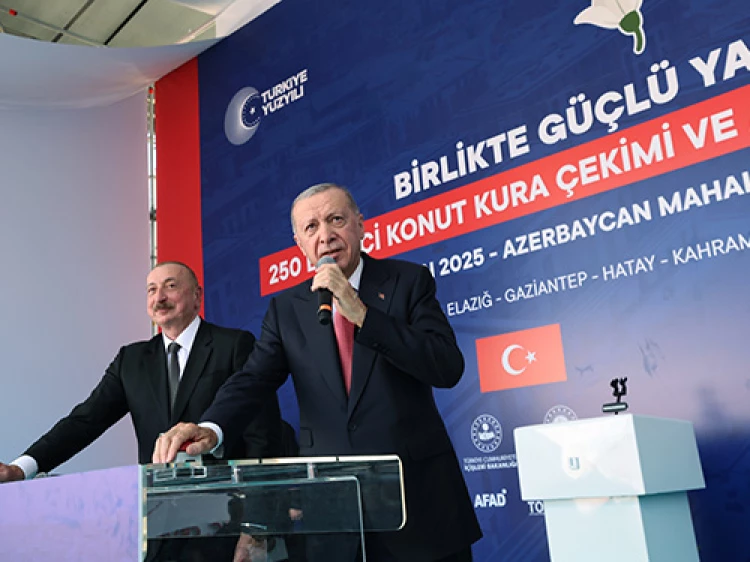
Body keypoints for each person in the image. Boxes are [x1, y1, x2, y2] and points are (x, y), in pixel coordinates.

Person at [154, 184, 482, 562]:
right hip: (335, 518)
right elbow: (253, 379)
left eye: (336, 219)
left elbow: (446, 366)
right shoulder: (286, 309)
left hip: (421, 509)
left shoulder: (408, 282)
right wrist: (211, 427)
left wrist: (363, 315)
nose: (325, 235)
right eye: (311, 227)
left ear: (360, 225)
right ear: (300, 244)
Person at [0, 262, 285, 560]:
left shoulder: (234, 345)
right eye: (151, 290)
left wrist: (256, 526)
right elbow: (84, 421)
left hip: (225, 525)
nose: (159, 297)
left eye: (171, 286)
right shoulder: (131, 360)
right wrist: (22, 468)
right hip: (157, 526)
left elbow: (263, 436)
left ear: (197, 296)